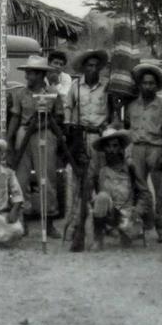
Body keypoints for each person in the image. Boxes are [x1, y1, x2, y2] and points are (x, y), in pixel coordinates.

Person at [6, 55, 64, 238]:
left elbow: (59, 118)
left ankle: (49, 221)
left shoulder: (53, 93)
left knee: (46, 177)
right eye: (27, 72)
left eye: (31, 73)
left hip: (45, 134)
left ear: (40, 75)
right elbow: (15, 117)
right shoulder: (20, 93)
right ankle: (23, 220)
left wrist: (44, 124)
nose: (27, 76)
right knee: (21, 180)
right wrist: (8, 140)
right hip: (23, 135)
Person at [63, 49, 110, 249]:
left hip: (101, 138)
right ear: (83, 68)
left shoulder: (107, 86)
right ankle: (75, 228)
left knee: (102, 183)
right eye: (89, 66)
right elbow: (67, 110)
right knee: (79, 186)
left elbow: (114, 112)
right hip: (80, 138)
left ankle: (101, 230)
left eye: (95, 66)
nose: (92, 69)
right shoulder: (75, 86)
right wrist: (69, 132)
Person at [125, 62, 162, 243]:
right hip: (137, 147)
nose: (148, 86)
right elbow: (127, 126)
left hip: (156, 148)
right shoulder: (132, 106)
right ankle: (143, 223)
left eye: (151, 83)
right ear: (139, 84)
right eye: (145, 83)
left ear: (156, 85)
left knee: (161, 190)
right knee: (138, 188)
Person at [87, 128, 151, 249]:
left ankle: (125, 233)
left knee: (127, 241)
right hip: (109, 212)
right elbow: (89, 193)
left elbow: (145, 194)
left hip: (127, 212)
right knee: (102, 197)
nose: (111, 150)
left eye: (115, 146)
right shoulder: (99, 170)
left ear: (121, 148)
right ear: (103, 149)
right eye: (108, 146)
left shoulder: (131, 168)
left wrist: (137, 211)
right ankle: (98, 239)